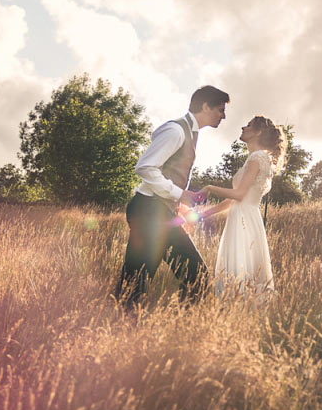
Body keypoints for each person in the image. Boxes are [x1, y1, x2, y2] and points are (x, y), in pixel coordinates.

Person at [117, 85, 228, 306]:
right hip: (148, 209)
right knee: (141, 278)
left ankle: (180, 327)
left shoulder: (189, 132)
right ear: (205, 106)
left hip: (158, 210)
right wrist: (180, 193)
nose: (223, 116)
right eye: (220, 110)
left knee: (141, 278)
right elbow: (145, 167)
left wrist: (179, 202)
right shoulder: (176, 131)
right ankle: (124, 327)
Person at [201, 116, 284, 297]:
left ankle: (237, 311)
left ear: (258, 132)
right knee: (242, 269)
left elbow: (238, 195)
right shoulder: (256, 158)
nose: (243, 127)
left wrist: (209, 188)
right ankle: (239, 314)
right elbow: (235, 199)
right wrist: (206, 214)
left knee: (239, 269)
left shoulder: (258, 157)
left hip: (243, 220)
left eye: (248, 126)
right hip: (246, 216)